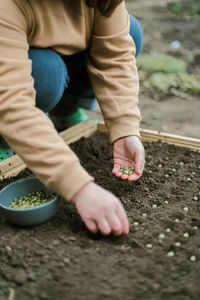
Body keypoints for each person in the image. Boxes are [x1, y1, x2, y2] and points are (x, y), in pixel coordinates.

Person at [0, 0, 145, 236]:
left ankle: (64, 111)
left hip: (49, 48)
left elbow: (116, 56)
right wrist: (79, 188)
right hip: (7, 72)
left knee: (130, 31)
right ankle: (3, 137)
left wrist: (125, 127)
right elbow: (11, 103)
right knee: (46, 72)